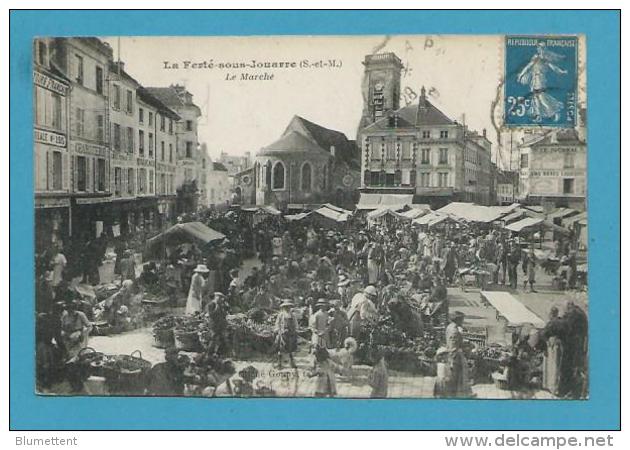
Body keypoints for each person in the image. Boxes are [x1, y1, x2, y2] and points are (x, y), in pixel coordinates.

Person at [445, 311, 472, 398]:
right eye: (462, 319)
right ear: (458, 320)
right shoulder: (454, 331)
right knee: (455, 378)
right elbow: (454, 347)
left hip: (450, 354)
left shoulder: (450, 326)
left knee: (454, 379)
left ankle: (453, 394)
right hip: (455, 357)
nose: (463, 321)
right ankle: (453, 396)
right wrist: (453, 362)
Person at [539, 306, 565, 396]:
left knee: (552, 366)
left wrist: (547, 341)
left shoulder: (552, 323)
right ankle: (555, 387)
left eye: (549, 314)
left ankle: (552, 387)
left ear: (551, 314)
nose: (549, 316)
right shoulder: (562, 322)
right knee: (557, 366)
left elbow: (543, 333)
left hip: (552, 345)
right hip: (559, 344)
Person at [60, 296, 92, 361]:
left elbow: (89, 326)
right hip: (68, 334)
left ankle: (76, 357)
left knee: (74, 338)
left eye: (71, 308)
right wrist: (63, 332)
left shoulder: (80, 315)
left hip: (78, 334)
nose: (70, 310)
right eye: (68, 308)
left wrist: (84, 333)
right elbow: (62, 327)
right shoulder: (65, 316)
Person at [274, 300, 298, 369]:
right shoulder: (281, 315)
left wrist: (295, 330)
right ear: (283, 307)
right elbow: (277, 323)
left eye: (288, 307)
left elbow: (296, 323)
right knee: (281, 349)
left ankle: (292, 363)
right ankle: (279, 364)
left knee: (291, 349)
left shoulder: (293, 315)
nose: (287, 308)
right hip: (283, 333)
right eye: (286, 307)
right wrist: (278, 330)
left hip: (291, 333)